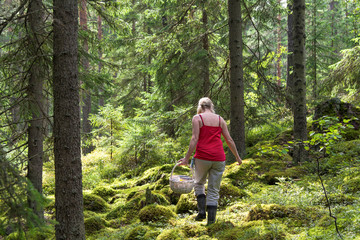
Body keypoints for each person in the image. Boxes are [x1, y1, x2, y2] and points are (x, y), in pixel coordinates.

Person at [178, 97, 242, 225]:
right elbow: (229, 140)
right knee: (214, 189)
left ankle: (202, 212)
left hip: (202, 157)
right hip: (219, 158)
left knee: (199, 183)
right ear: (211, 106)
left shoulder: (197, 118)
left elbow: (194, 138)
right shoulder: (220, 119)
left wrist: (186, 158)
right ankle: (211, 222)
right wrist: (237, 157)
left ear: (200, 107)